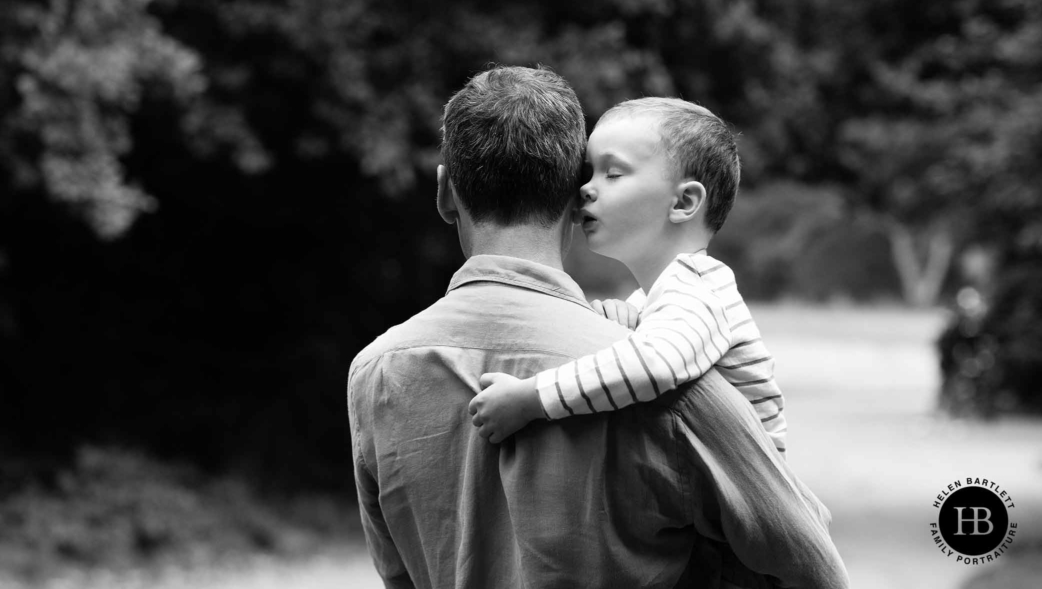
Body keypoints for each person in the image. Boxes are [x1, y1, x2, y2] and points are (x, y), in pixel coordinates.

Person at [347, 66, 848, 589]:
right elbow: (812, 568)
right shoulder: (673, 383)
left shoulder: (377, 373)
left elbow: (398, 575)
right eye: (593, 174)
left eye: (612, 174)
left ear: (446, 192)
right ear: (570, 189)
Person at [468, 97, 787, 455]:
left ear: (683, 203)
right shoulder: (658, 297)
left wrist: (531, 398)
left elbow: (653, 366)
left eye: (613, 174)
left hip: (747, 491)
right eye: (588, 172)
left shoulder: (697, 288)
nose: (586, 188)